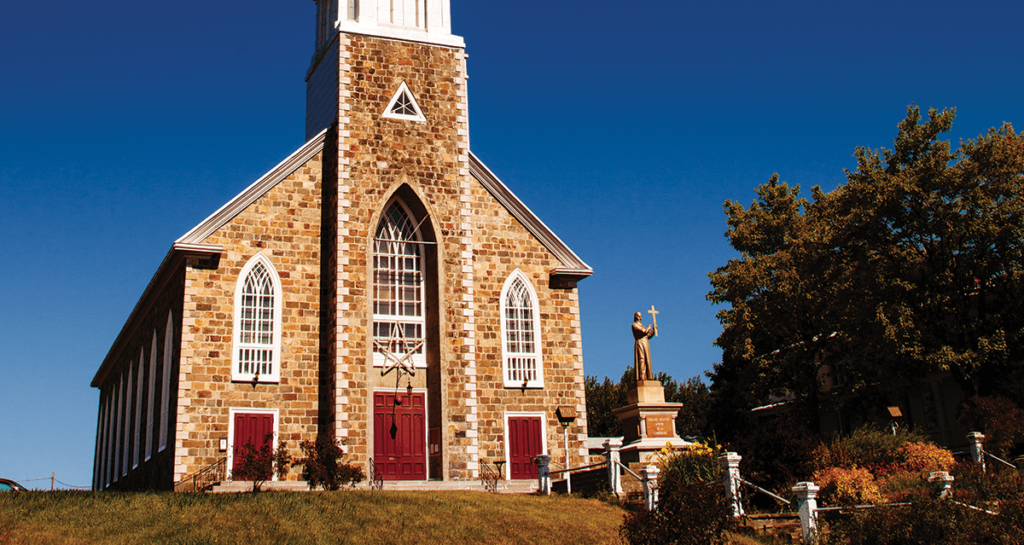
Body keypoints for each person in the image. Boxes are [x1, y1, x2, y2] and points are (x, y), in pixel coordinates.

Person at [632, 311, 656, 381]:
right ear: (636, 316)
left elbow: (647, 336)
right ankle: (642, 376)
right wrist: (648, 328)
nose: (640, 318)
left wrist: (653, 330)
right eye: (639, 316)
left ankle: (649, 376)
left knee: (647, 359)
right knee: (641, 359)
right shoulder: (634, 325)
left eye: (641, 316)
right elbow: (644, 331)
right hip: (640, 343)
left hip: (645, 343)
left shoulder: (642, 325)